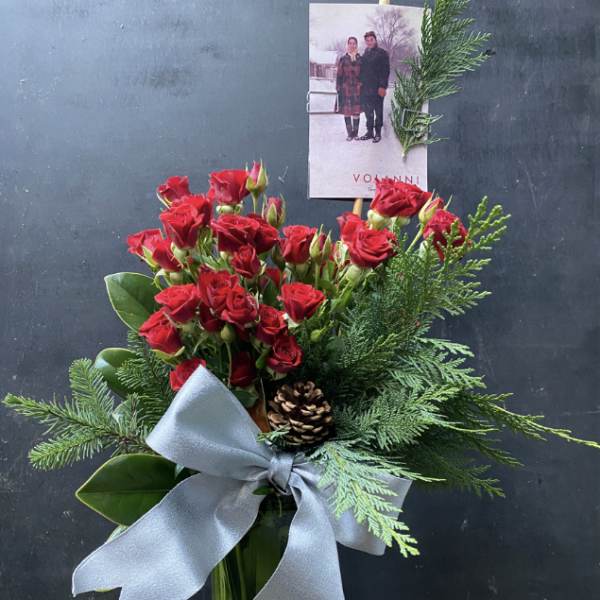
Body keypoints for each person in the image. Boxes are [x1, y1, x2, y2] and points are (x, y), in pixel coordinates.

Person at [358, 31, 390, 143]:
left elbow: (385, 71)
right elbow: (362, 71)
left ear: (375, 40)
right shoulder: (365, 54)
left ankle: (378, 133)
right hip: (366, 88)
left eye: (371, 40)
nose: (369, 42)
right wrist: (360, 82)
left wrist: (382, 86)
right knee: (368, 112)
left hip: (377, 89)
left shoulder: (382, 53)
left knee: (378, 111)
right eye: (367, 40)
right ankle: (369, 132)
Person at [335, 37, 362, 141]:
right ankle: (350, 134)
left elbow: (364, 75)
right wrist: (338, 87)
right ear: (347, 45)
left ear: (356, 45)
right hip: (346, 89)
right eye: (350, 43)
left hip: (357, 89)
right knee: (347, 112)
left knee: (356, 112)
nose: (352, 45)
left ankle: (355, 134)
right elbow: (339, 75)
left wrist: (362, 84)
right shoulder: (343, 59)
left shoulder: (360, 59)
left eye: (354, 43)